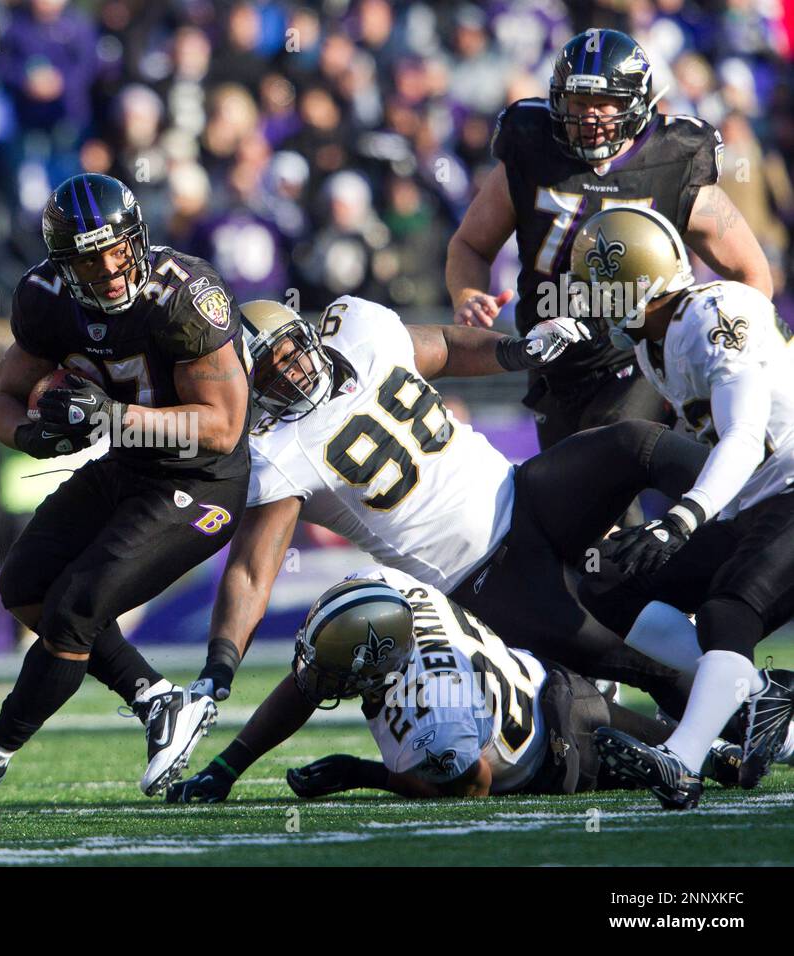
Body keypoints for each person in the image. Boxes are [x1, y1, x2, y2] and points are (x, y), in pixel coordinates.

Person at [0, 173, 251, 815]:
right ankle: (157, 700)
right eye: (91, 257)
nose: (112, 269)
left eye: (119, 249)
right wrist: (33, 436)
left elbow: (223, 428)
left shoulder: (185, 297)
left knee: (75, 607)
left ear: (137, 237)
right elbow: (1, 400)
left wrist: (111, 419)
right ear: (65, 264)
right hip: (128, 466)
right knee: (24, 583)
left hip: (201, 483)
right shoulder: (46, 296)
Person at [185, 296, 710, 719]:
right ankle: (729, 728)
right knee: (631, 664)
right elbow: (252, 572)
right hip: (482, 580)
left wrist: (517, 351)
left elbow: (441, 345)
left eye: (290, 353)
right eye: (271, 374)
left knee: (631, 444)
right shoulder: (275, 452)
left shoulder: (359, 329)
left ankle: (746, 490)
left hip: (523, 492)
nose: (292, 374)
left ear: (308, 334)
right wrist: (219, 668)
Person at [562, 205, 794, 809]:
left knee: (728, 612)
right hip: (752, 499)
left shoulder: (717, 316)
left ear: (640, 287)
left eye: (602, 292)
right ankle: (760, 705)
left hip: (787, 484)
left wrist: (684, 517)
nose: (593, 304)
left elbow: (744, 434)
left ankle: (682, 760)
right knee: (612, 585)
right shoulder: (655, 341)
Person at [446, 29, 771, 458]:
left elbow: (751, 272)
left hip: (638, 361)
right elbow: (469, 245)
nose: (590, 117)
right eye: (579, 103)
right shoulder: (531, 149)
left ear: (635, 104)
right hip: (550, 360)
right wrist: (467, 294)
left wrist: (719, 347)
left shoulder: (672, 159)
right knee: (569, 510)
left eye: (605, 104)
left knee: (604, 471)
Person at [168, 565, 741, 804]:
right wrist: (227, 766)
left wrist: (359, 773)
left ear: (380, 667)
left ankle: (693, 752)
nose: (318, 681)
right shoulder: (384, 589)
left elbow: (474, 785)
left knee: (659, 766)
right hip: (550, 682)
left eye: (336, 672)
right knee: (686, 749)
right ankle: (714, 750)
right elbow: (307, 683)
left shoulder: (433, 716)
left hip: (549, 759)